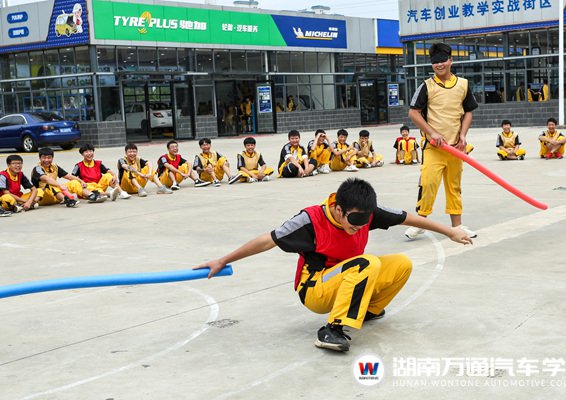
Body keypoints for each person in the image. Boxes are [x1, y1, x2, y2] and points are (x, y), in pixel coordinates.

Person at [197, 178, 472, 352]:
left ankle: (367, 311)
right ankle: (331, 329)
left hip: (346, 278)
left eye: (364, 222)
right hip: (315, 289)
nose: (359, 227)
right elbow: (267, 241)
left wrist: (450, 232)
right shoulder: (310, 221)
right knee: (366, 263)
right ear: (339, 209)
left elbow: (408, 218)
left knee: (402, 263)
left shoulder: (366, 213)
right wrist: (223, 260)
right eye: (355, 221)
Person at [405, 42, 479, 241]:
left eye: (442, 60)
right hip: (434, 148)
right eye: (435, 61)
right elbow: (413, 113)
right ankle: (420, 223)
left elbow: (468, 112)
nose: (439, 65)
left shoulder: (463, 84)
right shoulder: (426, 86)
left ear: (450, 61)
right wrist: (432, 133)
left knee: (454, 187)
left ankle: (458, 226)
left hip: (456, 148)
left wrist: (463, 135)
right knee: (428, 183)